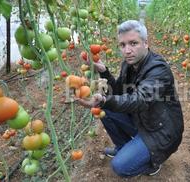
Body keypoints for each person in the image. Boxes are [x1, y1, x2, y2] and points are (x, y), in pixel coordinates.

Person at [76, 20, 184, 177]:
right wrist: (104, 71)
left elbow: (140, 100)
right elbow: (119, 91)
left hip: (160, 131)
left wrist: (105, 100)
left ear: (146, 43)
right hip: (143, 119)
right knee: (105, 109)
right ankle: (124, 147)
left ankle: (152, 164)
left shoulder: (158, 69)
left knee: (120, 167)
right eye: (122, 45)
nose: (127, 50)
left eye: (133, 43)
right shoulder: (128, 64)